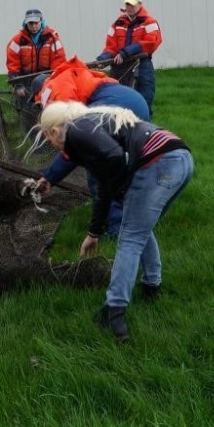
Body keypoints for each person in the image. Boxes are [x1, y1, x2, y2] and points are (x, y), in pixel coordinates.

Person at [33, 102, 192, 341]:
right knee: (138, 226)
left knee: (129, 237)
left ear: (53, 132)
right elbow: (104, 185)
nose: (54, 147)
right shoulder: (91, 124)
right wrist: (94, 232)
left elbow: (114, 161)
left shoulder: (77, 131)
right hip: (181, 159)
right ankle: (151, 285)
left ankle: (114, 312)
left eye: (49, 140)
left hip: (157, 163)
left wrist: (118, 189)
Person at [32, 56, 149, 239]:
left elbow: (71, 140)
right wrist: (51, 176)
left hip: (114, 105)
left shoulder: (51, 91)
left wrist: (50, 176)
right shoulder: (68, 76)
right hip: (135, 101)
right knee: (124, 167)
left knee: (99, 171)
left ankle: (115, 231)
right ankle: (132, 219)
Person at [96, 0, 162, 117]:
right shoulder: (117, 23)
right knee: (120, 105)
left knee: (144, 101)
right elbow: (111, 47)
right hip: (120, 68)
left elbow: (151, 42)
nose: (130, 7)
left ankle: (146, 132)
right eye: (127, 4)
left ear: (140, 4)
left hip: (142, 66)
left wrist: (126, 52)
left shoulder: (150, 22)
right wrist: (102, 59)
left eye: (132, 4)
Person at [6, 8, 67, 99]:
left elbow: (59, 61)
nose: (34, 26)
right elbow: (13, 65)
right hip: (25, 84)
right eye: (31, 23)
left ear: (41, 21)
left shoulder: (52, 38)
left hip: (46, 80)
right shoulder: (17, 41)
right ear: (26, 23)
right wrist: (18, 85)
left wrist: (53, 82)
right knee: (26, 111)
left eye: (36, 23)